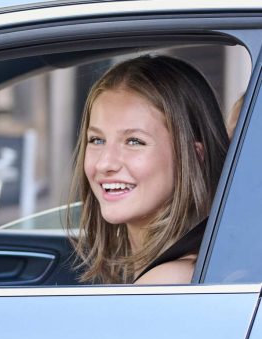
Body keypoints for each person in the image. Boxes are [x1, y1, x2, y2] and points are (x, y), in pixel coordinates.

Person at [67, 55, 230, 285]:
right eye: (96, 140)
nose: (105, 163)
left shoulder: (168, 281)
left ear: (193, 156)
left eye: (134, 141)